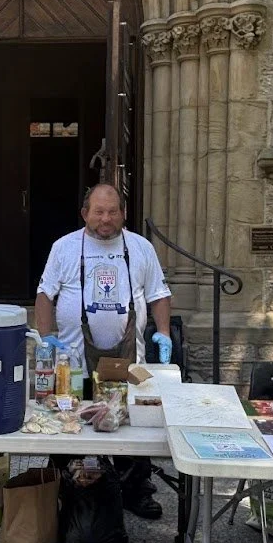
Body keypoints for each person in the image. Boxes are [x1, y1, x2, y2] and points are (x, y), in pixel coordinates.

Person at [36, 184, 173, 519]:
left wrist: (165, 333)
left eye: (113, 211)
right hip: (75, 361)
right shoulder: (64, 247)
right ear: (85, 214)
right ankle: (69, 489)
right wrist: (44, 336)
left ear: (123, 213)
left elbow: (158, 293)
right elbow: (44, 294)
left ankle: (136, 491)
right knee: (73, 426)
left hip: (130, 360)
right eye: (98, 211)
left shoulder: (140, 248)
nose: (106, 219)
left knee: (130, 427)